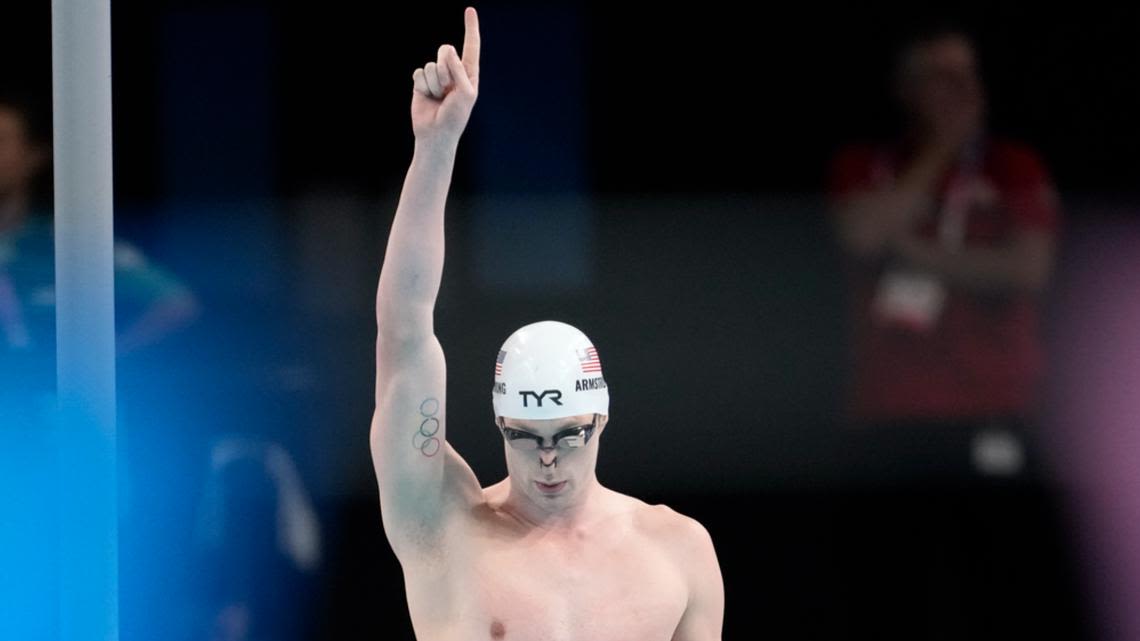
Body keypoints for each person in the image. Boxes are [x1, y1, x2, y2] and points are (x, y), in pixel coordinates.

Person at [370, 8, 724, 640]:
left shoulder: (678, 551)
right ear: (501, 423)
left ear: (602, 418)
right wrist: (436, 147)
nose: (549, 459)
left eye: (568, 433)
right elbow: (404, 333)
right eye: (526, 436)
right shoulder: (443, 527)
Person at [827, 25, 1061, 474]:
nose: (962, 89)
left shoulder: (1013, 166)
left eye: (968, 74)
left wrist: (911, 252)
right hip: (887, 409)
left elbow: (1028, 270)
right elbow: (863, 235)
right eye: (941, 76)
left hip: (991, 406)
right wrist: (942, 148)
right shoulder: (864, 165)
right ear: (904, 88)